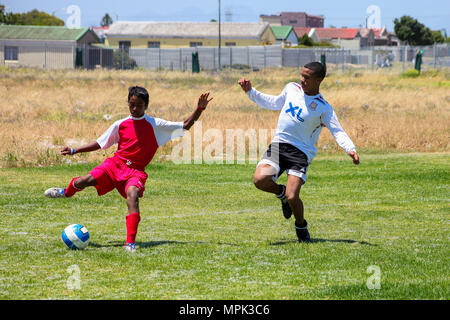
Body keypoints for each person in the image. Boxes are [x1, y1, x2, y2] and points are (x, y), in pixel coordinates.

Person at [45, 86, 213, 252]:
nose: (134, 108)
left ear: (146, 105)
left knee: (133, 196)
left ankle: (130, 243)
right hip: (114, 165)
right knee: (84, 181)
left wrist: (199, 108)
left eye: (139, 105)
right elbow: (100, 142)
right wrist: (75, 150)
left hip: (136, 172)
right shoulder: (121, 124)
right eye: (131, 104)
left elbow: (185, 125)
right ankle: (65, 192)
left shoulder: (155, 124)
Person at [238, 62, 359, 243]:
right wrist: (251, 91)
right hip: (280, 145)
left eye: (307, 77)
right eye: (302, 75)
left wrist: (350, 148)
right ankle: (281, 194)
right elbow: (273, 102)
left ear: (319, 80)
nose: (302, 80)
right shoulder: (292, 89)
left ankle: (301, 225)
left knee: (293, 196)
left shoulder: (323, 107)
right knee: (260, 180)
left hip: (300, 153)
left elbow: (337, 130)